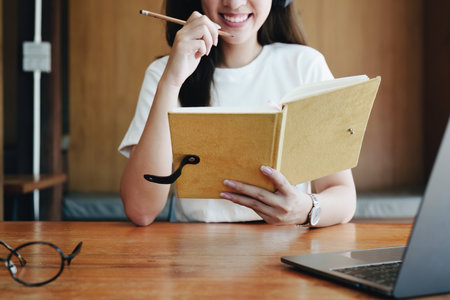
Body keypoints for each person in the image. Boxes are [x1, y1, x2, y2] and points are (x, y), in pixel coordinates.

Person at [118, 0, 356, 226]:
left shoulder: (305, 66)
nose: (234, 3)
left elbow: (344, 197)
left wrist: (305, 208)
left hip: (286, 252)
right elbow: (141, 210)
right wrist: (171, 82)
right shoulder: (164, 73)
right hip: (193, 253)